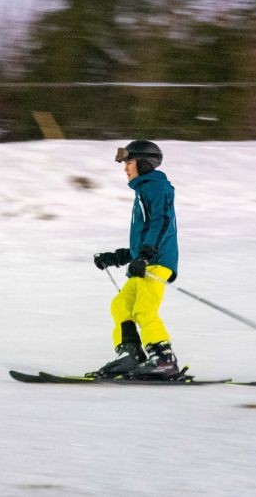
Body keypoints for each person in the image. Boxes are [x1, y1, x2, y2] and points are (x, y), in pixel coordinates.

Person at [91, 140, 181, 379]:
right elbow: (145, 235)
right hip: (145, 261)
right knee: (121, 305)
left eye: (129, 162)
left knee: (144, 309)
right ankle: (131, 355)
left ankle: (164, 360)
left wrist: (145, 255)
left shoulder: (155, 187)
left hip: (158, 261)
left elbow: (161, 223)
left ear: (143, 163)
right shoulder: (144, 189)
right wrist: (118, 256)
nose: (125, 168)